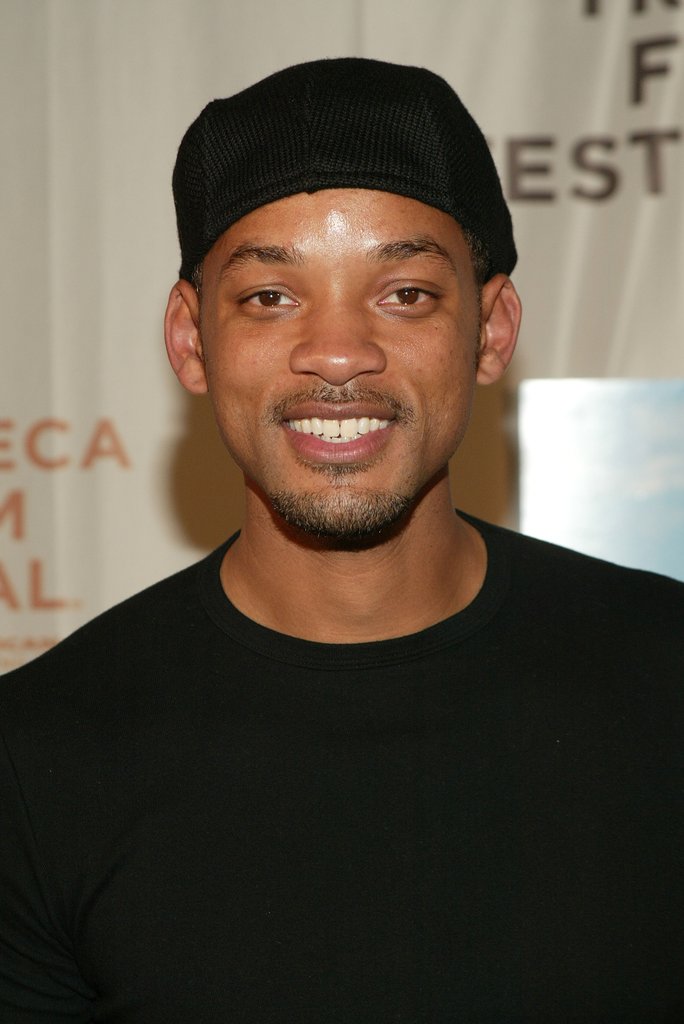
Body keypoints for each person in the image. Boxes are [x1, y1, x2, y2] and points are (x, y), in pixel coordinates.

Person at [1, 58, 682, 1024]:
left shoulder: (666, 675)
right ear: (191, 341)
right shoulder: (35, 760)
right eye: (269, 297)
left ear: (492, 332)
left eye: (405, 293)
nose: (336, 353)